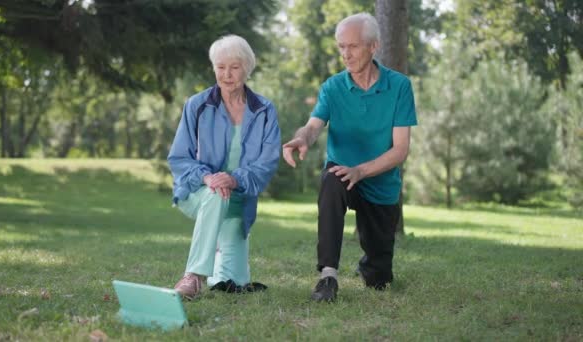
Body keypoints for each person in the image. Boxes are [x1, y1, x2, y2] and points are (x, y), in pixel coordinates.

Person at [282, 13, 417, 302]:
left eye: (353, 46)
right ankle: (327, 277)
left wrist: (361, 171)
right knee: (331, 180)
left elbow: (400, 149)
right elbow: (314, 125)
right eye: (341, 46)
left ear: (373, 46)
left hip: (380, 183)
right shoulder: (332, 87)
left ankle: (370, 266)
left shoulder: (400, 86)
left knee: (379, 280)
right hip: (343, 173)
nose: (345, 54)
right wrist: (301, 138)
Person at [167, 34, 280, 299]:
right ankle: (194, 276)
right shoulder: (197, 105)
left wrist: (233, 179)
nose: (227, 74)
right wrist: (208, 178)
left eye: (234, 67)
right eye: (220, 67)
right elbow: (179, 158)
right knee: (216, 195)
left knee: (233, 283)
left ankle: (217, 246)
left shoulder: (264, 110)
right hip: (197, 191)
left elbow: (267, 163)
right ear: (214, 68)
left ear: (247, 68)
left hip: (239, 198)